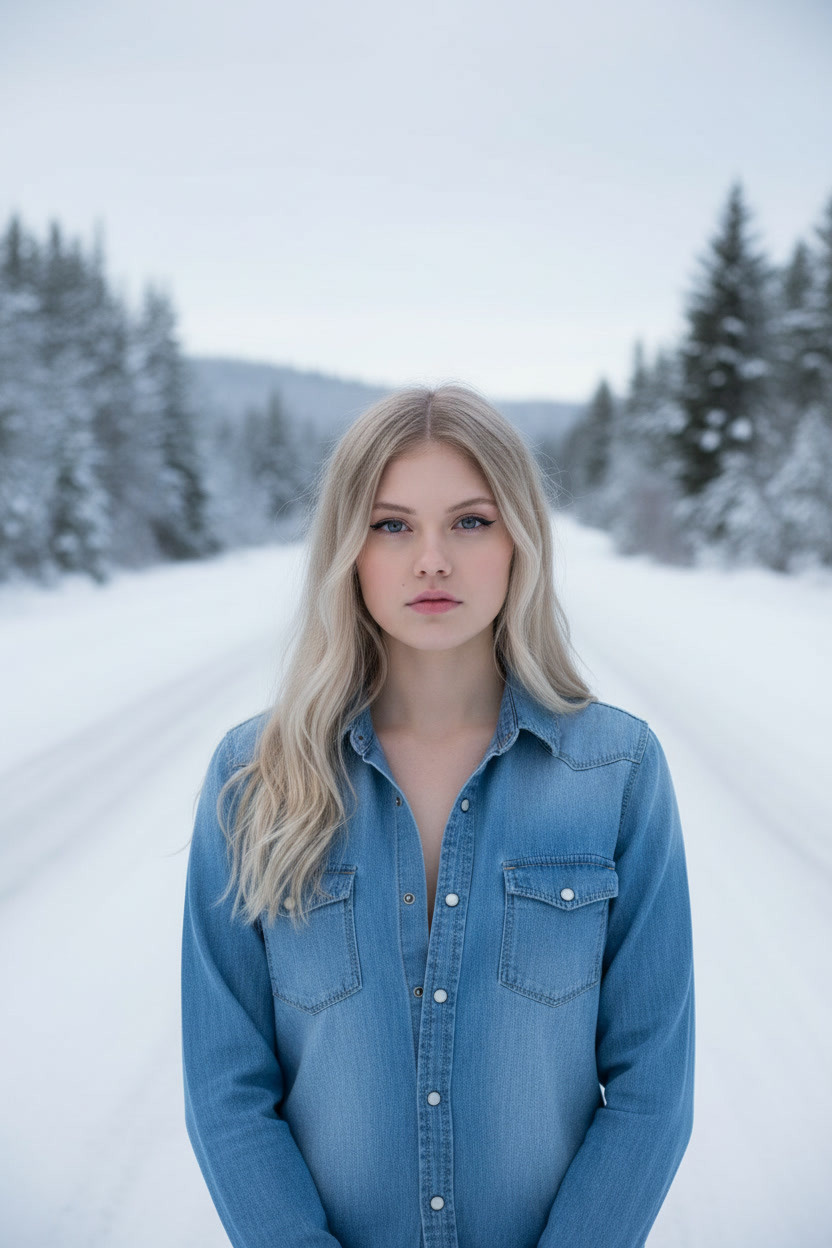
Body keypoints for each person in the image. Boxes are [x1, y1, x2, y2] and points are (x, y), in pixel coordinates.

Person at [181, 383, 695, 1248]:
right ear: (347, 549)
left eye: (469, 521)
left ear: (519, 542)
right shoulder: (253, 777)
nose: (431, 560)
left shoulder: (616, 770)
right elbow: (226, 1090)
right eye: (391, 524)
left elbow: (652, 1088)